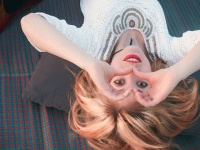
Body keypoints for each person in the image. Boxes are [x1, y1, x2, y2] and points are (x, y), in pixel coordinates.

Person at [21, 0, 200, 149]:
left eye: (120, 82)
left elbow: (30, 21)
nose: (131, 72)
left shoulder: (93, 47)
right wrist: (177, 72)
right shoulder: (166, 52)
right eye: (142, 84)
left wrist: (88, 63)